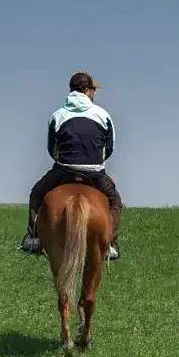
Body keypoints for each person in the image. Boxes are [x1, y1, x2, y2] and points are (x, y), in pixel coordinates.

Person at [20, 71, 122, 259]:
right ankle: (110, 244)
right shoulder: (103, 115)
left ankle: (34, 237)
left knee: (36, 194)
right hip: (95, 173)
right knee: (115, 201)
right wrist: (96, 161)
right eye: (93, 89)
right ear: (86, 90)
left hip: (63, 169)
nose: (94, 93)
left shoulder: (57, 115)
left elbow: (52, 149)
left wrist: (65, 160)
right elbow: (110, 147)